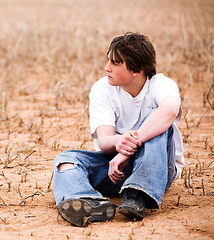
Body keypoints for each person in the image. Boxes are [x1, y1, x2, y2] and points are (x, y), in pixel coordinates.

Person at [52, 32, 185, 227]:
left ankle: (138, 193)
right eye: (108, 61)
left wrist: (129, 146)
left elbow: (170, 110)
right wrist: (118, 142)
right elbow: (105, 141)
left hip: (158, 169)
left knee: (158, 122)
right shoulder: (101, 89)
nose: (107, 68)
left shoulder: (161, 85)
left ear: (137, 69)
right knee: (66, 160)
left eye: (115, 63)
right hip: (118, 169)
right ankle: (87, 201)